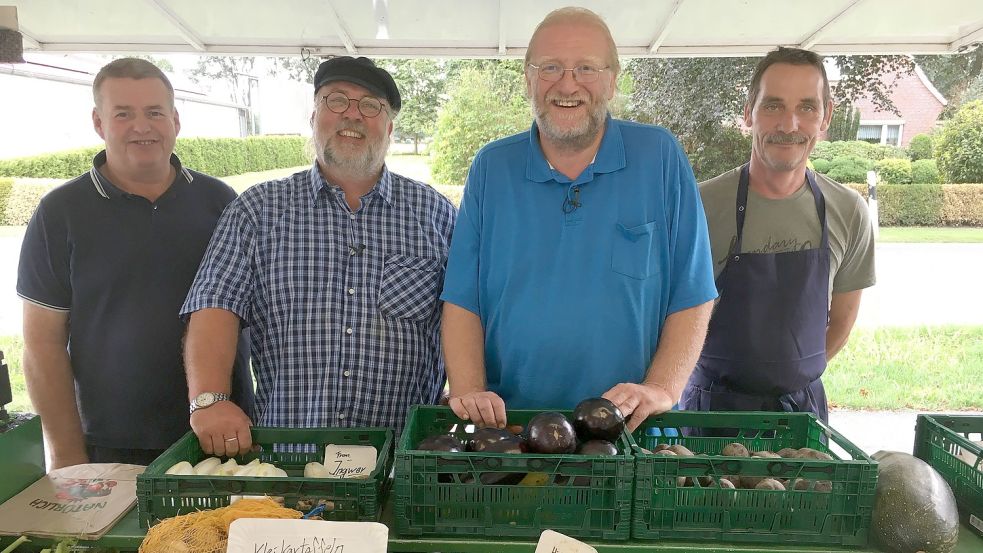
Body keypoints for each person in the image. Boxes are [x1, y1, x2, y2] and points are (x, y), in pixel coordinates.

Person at [440, 7, 717, 432]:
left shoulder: (660, 157)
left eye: (586, 68)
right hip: (515, 428)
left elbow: (693, 291)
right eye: (549, 67)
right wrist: (472, 396)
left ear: (612, 78)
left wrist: (662, 387)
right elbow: (463, 297)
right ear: (528, 79)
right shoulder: (492, 167)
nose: (567, 84)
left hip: (632, 428)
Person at [181, 56, 456, 456]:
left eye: (371, 106)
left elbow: (466, 313)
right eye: (337, 101)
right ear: (314, 117)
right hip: (288, 459)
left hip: (405, 461)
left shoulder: (436, 214)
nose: (354, 115)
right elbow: (214, 305)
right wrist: (209, 400)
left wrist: (467, 388)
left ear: (390, 128)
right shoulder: (258, 210)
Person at [17, 58, 253, 468]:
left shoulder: (221, 202)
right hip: (111, 443)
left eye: (154, 112)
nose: (142, 127)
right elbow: (42, 344)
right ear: (98, 121)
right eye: (123, 114)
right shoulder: (60, 213)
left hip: (221, 435)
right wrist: (68, 455)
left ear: (175, 121)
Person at [680, 47, 876, 423]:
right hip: (709, 414)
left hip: (802, 416)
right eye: (772, 106)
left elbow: (842, 322)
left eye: (806, 107)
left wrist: (789, 375)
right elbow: (668, 317)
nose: (789, 124)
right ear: (748, 112)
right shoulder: (697, 206)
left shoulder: (849, 211)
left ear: (825, 117)